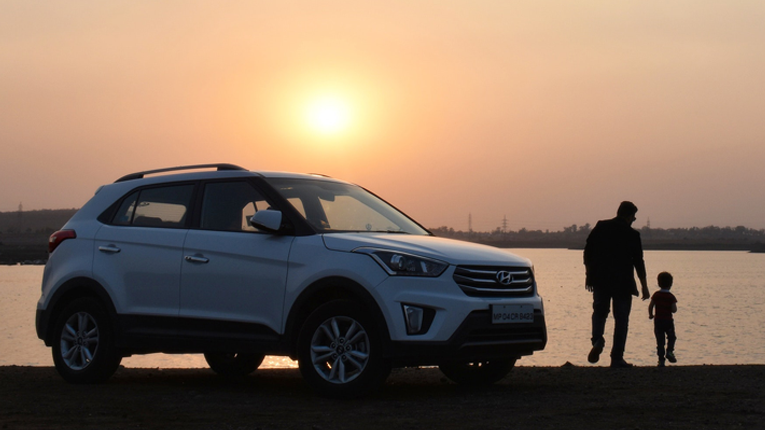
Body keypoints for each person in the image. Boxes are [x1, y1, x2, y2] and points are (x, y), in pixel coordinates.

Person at [584, 201, 650, 368]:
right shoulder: (633, 235)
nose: (634, 220)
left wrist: (588, 275)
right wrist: (644, 286)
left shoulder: (601, 227)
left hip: (600, 279)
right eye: (633, 217)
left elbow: (588, 252)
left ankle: (597, 340)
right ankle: (617, 358)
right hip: (623, 282)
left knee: (599, 312)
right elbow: (638, 262)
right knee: (621, 319)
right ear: (628, 216)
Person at [649, 271, 678, 367]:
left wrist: (650, 314)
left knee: (660, 340)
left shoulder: (656, 295)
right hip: (668, 321)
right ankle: (669, 351)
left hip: (658, 321)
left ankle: (661, 360)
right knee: (671, 337)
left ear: (658, 283)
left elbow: (651, 306)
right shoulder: (671, 296)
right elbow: (674, 310)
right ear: (671, 284)